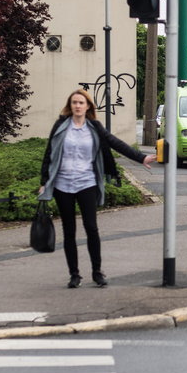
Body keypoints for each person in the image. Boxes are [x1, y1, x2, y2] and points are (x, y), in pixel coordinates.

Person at [39, 89, 155, 289]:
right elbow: (50, 153)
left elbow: (115, 143)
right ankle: (74, 275)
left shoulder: (94, 127)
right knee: (69, 231)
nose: (77, 106)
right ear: (70, 106)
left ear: (88, 106)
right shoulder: (60, 126)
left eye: (81, 103)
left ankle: (97, 272)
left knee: (91, 228)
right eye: (74, 102)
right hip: (62, 185)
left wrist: (141, 157)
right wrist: (44, 182)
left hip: (87, 183)